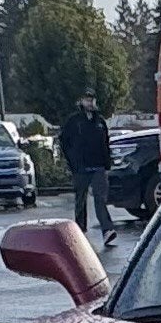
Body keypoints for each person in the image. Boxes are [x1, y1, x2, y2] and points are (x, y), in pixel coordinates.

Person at [61, 96, 115, 237]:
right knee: (80, 200)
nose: (90, 103)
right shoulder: (74, 121)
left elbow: (106, 143)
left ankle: (107, 230)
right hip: (80, 168)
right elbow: (64, 142)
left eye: (92, 100)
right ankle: (80, 231)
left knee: (100, 200)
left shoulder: (100, 121)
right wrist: (72, 162)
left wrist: (107, 163)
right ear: (81, 102)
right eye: (87, 100)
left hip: (98, 167)